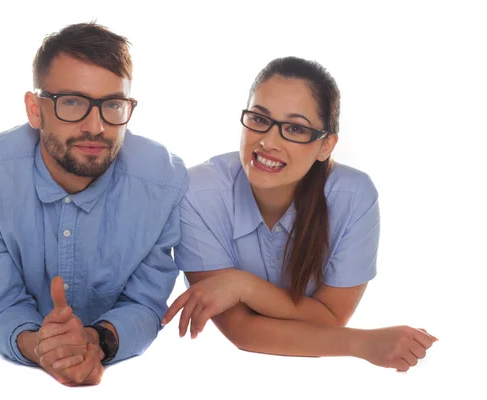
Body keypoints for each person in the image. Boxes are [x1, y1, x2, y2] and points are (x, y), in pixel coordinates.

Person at [162, 56, 437, 372]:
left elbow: (331, 318)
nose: (268, 142)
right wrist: (362, 344)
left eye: (295, 128)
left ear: (326, 146)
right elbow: (241, 330)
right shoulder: (198, 193)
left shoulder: (353, 197)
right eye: (259, 119)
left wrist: (242, 285)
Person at [0, 22, 188, 386]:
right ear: (35, 109)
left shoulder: (163, 183)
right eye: (72, 102)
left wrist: (96, 342)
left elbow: (145, 303)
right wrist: (42, 348)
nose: (95, 126)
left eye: (112, 104)